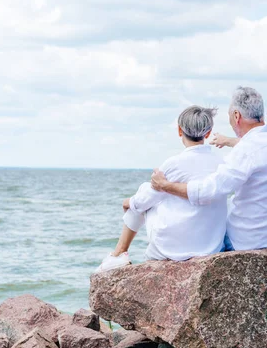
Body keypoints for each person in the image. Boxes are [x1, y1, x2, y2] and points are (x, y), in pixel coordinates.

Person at [151, 87, 267, 251]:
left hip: (251, 240)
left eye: (229, 115)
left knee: (209, 222)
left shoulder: (246, 151)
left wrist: (164, 185)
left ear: (236, 116)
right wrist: (228, 141)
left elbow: (207, 191)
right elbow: (256, 150)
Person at [95, 106, 227, 272]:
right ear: (208, 133)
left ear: (180, 130)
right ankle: (119, 253)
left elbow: (143, 201)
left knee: (144, 191)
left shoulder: (174, 164)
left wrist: (128, 202)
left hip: (173, 249)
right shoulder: (221, 162)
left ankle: (119, 253)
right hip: (210, 246)